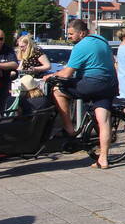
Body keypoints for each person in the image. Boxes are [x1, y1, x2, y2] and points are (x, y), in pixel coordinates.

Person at [45, 19, 118, 169]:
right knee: (103, 121)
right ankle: (103, 159)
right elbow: (111, 60)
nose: (69, 36)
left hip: (92, 83)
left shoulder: (80, 46)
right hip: (109, 84)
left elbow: (66, 73)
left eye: (71, 34)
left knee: (58, 90)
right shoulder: (102, 39)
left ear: (82, 33)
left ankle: (69, 128)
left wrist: (50, 76)